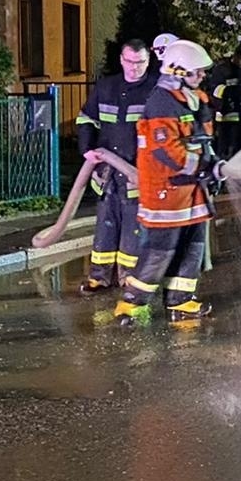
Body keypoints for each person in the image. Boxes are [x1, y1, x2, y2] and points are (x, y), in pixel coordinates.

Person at [115, 39, 224, 325]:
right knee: (160, 250)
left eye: (201, 72)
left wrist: (212, 164)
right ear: (176, 72)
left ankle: (181, 300)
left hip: (191, 191)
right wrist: (204, 167)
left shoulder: (193, 99)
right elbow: (168, 152)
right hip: (166, 190)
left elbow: (202, 139)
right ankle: (131, 303)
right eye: (194, 72)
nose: (200, 77)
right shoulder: (161, 102)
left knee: (193, 246)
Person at [74, 38, 159, 294]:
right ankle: (99, 276)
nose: (134, 68)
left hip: (138, 172)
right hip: (106, 170)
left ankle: (130, 277)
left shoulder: (156, 89)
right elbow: (86, 118)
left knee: (133, 226)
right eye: (130, 62)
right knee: (106, 223)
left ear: (148, 61)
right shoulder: (106, 86)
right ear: (122, 60)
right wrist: (88, 151)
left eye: (140, 62)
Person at [204, 43, 241, 161]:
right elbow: (215, 91)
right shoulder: (222, 70)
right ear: (235, 55)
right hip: (227, 119)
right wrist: (234, 91)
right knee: (228, 152)